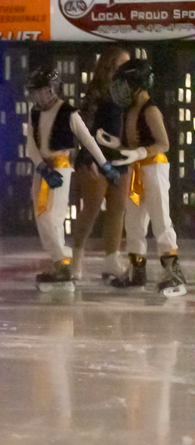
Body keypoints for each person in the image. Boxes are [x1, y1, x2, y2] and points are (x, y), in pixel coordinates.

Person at [24, 67, 118, 292]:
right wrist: (41, 167)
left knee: (52, 216)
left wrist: (104, 164)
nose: (41, 97)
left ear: (55, 89)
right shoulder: (34, 113)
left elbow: (88, 140)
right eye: (37, 92)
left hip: (61, 167)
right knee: (42, 217)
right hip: (42, 169)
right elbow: (31, 146)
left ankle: (62, 262)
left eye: (44, 91)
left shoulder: (69, 113)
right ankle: (59, 262)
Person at [105, 60, 187, 297]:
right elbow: (131, 144)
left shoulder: (150, 110)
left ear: (138, 84)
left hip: (153, 168)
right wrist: (117, 145)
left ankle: (172, 271)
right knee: (133, 221)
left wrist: (140, 152)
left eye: (126, 84)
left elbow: (164, 144)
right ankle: (137, 270)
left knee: (160, 218)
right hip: (136, 170)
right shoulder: (129, 110)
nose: (122, 90)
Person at [71, 46, 131, 282]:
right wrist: (88, 158)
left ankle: (111, 260)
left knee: (118, 209)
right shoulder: (97, 91)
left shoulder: (127, 92)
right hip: (96, 157)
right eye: (122, 63)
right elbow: (84, 128)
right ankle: (76, 256)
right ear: (109, 65)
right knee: (92, 208)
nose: (125, 68)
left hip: (120, 156)